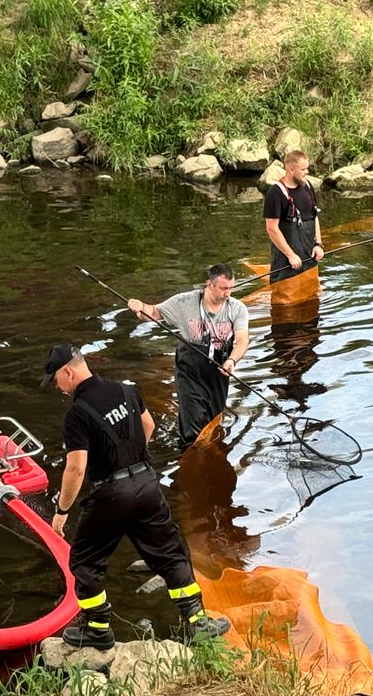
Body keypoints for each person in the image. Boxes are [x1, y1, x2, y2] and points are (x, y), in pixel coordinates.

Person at [41, 343, 230, 649]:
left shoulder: (77, 413)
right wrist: (131, 457)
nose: (57, 387)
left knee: (84, 560)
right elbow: (148, 425)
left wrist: (62, 510)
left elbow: (76, 468)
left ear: (68, 371)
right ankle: (197, 622)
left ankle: (98, 628)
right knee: (169, 553)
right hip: (146, 486)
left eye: (56, 380)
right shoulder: (127, 391)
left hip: (111, 494)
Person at [126, 264, 250, 449]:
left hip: (219, 367)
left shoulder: (237, 308)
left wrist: (232, 360)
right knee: (192, 423)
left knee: (213, 418)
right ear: (209, 284)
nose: (228, 293)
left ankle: (210, 452)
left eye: (231, 288)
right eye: (224, 288)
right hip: (190, 369)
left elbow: (242, 339)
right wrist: (139, 306)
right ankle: (187, 453)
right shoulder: (184, 302)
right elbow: (153, 312)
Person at [263, 150, 324, 284]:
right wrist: (290, 255)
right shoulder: (275, 193)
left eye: (307, 168)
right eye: (303, 169)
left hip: (309, 256)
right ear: (291, 169)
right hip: (286, 262)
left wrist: (318, 244)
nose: (307, 172)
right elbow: (271, 229)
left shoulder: (307, 186)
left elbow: (314, 216)